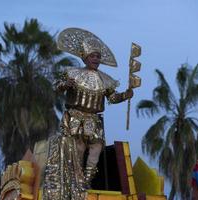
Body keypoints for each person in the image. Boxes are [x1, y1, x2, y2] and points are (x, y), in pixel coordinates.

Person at [43, 28, 133, 200]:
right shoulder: (72, 74)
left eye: (98, 57)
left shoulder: (105, 79)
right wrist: (65, 85)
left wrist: (125, 95)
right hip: (76, 117)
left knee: (96, 150)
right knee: (78, 150)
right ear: (84, 57)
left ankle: (86, 180)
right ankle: (76, 182)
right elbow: (56, 88)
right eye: (93, 56)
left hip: (94, 120)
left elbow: (112, 98)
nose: (96, 60)